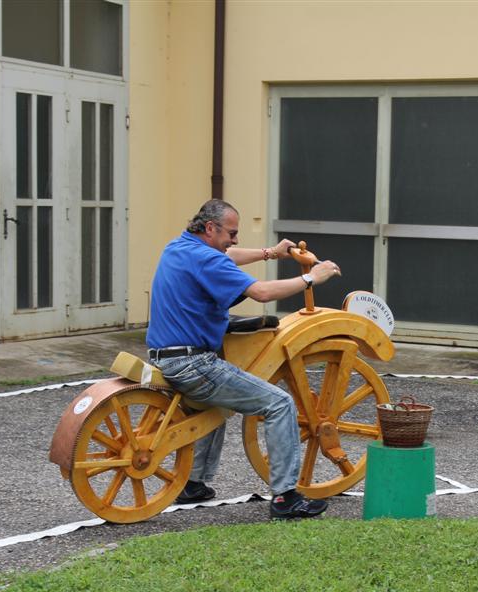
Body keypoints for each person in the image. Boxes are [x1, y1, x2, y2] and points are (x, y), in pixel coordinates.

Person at [145, 198, 343, 520]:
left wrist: (271, 253)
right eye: (232, 233)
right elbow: (262, 293)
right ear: (210, 228)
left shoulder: (179, 247)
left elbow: (227, 256)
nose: (235, 240)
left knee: (214, 407)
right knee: (279, 403)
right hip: (193, 363)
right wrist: (312, 278)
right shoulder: (208, 260)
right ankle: (285, 498)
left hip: (165, 356)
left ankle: (193, 484)